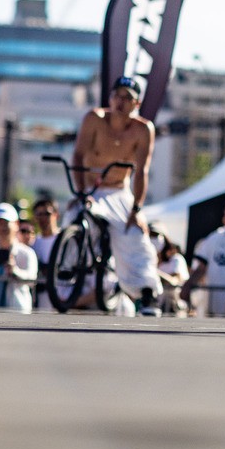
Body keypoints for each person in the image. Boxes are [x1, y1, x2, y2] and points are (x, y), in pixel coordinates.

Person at [71, 75, 163, 316]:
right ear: (110, 98)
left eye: (127, 98)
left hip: (119, 191)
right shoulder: (94, 118)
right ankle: (68, 272)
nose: (121, 102)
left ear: (137, 104)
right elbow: (78, 156)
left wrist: (137, 209)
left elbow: (141, 171)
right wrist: (82, 193)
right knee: (74, 221)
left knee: (134, 236)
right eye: (117, 96)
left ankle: (146, 294)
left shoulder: (143, 129)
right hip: (91, 189)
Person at [28, 198, 60, 309]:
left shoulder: (65, 239)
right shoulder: (34, 243)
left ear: (56, 215)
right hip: (41, 297)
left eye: (47, 213)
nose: (43, 218)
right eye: (39, 214)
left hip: (61, 294)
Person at [154, 226, 189, 316]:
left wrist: (156, 274)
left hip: (175, 308)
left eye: (155, 235)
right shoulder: (152, 261)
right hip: (156, 306)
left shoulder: (176, 259)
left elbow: (175, 280)